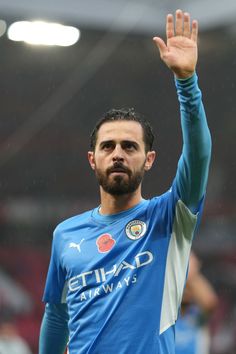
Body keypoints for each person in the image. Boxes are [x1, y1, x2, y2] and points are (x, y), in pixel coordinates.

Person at [39, 9, 212, 354]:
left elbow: (198, 155)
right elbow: (57, 317)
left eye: (129, 146)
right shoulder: (66, 235)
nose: (118, 153)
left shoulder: (170, 219)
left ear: (148, 160)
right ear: (94, 159)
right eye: (108, 146)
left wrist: (187, 83)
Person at [175, 252, 219, 354]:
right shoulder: (165, 314)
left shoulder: (197, 315)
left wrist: (190, 272)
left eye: (189, 288)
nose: (186, 292)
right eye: (184, 287)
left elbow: (210, 302)